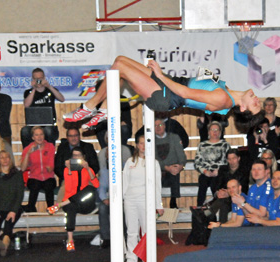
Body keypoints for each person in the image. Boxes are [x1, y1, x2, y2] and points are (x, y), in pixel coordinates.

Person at [63, 56, 265, 132]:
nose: (257, 99)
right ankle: (104, 109)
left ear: (244, 108)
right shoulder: (226, 91)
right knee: (118, 63)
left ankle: (88, 107)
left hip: (167, 96)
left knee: (121, 70)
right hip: (170, 85)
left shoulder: (223, 99)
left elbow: (185, 92)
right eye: (258, 101)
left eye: (255, 104)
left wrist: (159, 74)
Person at [123, 134, 163, 262]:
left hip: (146, 200)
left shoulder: (154, 163)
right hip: (130, 200)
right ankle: (131, 261)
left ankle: (147, 261)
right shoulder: (130, 162)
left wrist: (159, 205)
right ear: (137, 145)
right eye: (141, 143)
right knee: (132, 231)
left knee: (147, 231)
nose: (143, 146)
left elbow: (157, 185)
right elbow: (124, 182)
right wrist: (120, 200)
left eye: (146, 143)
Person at [52, 147, 100, 252]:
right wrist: (69, 169)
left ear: (83, 157)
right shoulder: (67, 170)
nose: (76, 158)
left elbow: (96, 184)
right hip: (70, 203)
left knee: (90, 189)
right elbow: (68, 187)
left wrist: (87, 169)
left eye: (79, 156)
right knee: (70, 207)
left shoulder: (88, 169)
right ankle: (70, 240)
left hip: (84, 203)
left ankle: (59, 205)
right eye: (74, 156)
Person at [0, 151, 24, 257]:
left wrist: (13, 211)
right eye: (2, 158)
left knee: (8, 224)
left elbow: (20, 195)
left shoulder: (17, 174)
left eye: (7, 157)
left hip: (13, 207)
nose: (5, 159)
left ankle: (4, 244)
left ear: (10, 159)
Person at [21, 68, 65, 147]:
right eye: (36, 79)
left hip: (50, 125)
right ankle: (27, 155)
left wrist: (49, 86)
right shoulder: (28, 92)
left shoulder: (50, 90)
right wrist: (34, 88)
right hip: (33, 126)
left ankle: (50, 155)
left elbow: (62, 99)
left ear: (44, 78)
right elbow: (26, 105)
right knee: (24, 131)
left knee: (48, 131)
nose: (39, 81)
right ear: (33, 79)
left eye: (40, 78)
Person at [194, 121, 230, 206]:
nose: (215, 132)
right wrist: (205, 171)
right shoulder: (202, 145)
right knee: (202, 181)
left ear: (220, 132)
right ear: (208, 132)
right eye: (212, 129)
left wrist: (219, 171)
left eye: (217, 130)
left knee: (217, 183)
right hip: (206, 172)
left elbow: (228, 162)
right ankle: (199, 207)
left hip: (219, 173)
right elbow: (197, 162)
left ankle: (217, 207)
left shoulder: (225, 145)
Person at [153, 118, 187, 209]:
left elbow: (181, 155)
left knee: (175, 170)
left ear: (164, 126)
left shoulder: (174, 137)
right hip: (158, 171)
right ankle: (157, 204)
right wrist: (166, 167)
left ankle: (173, 200)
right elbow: (153, 159)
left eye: (160, 125)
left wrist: (180, 166)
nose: (158, 128)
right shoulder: (151, 141)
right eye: (155, 126)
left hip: (172, 171)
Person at [20, 126, 56, 212]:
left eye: (41, 134)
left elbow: (51, 167)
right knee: (35, 185)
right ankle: (31, 207)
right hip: (34, 177)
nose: (39, 137)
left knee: (49, 185)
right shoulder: (27, 149)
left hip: (48, 177)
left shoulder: (50, 146)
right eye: (36, 135)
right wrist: (28, 154)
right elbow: (23, 168)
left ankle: (51, 209)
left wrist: (48, 167)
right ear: (33, 137)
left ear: (44, 136)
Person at [208, 149, 249, 223]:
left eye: (234, 158)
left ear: (238, 158)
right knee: (223, 203)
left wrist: (228, 192)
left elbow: (244, 188)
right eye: (229, 159)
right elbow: (218, 185)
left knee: (222, 202)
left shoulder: (245, 170)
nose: (232, 161)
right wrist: (219, 192)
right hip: (224, 198)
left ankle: (208, 214)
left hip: (238, 198)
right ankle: (222, 227)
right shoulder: (223, 169)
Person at [247, 98, 280, 162]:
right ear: (264, 107)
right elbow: (250, 136)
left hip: (273, 150)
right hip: (259, 151)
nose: (269, 107)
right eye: (266, 105)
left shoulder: (279, 121)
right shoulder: (258, 120)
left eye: (271, 105)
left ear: (275, 107)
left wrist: (278, 135)